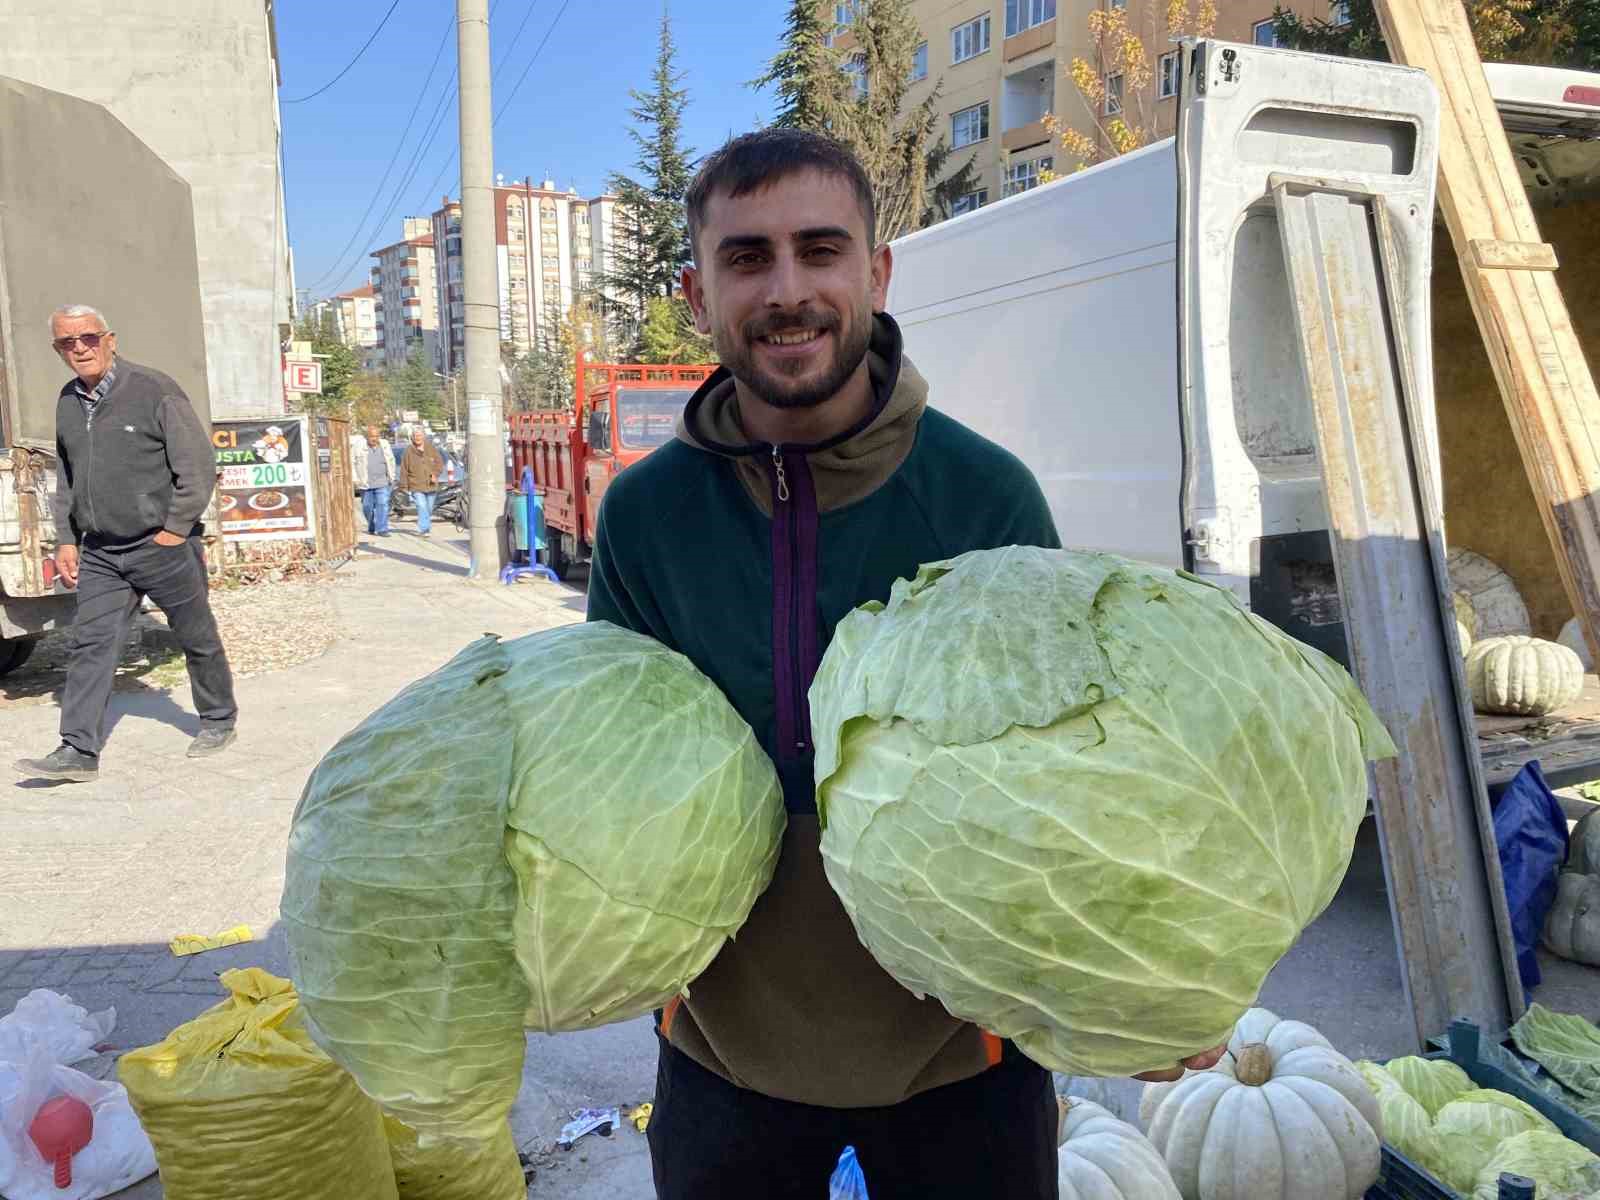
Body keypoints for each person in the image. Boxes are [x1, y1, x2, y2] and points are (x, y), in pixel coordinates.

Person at [586, 131, 1225, 1200]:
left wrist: (1138, 978)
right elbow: (604, 771)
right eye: (747, 259)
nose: (787, 290)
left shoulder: (987, 498)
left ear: (875, 275)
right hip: (721, 1052)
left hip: (961, 1053)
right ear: (699, 294)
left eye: (819, 249)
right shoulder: (643, 515)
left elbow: (1072, 781)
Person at [14, 304, 238, 783]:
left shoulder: (154, 390)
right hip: (101, 552)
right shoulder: (68, 401)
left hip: (161, 546)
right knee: (91, 644)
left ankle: (218, 718)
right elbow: (68, 478)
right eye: (66, 343)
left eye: (88, 338)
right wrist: (68, 540)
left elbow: (197, 466)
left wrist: (175, 529)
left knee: (195, 635)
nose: (79, 349)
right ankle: (77, 750)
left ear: (110, 339)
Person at [398, 427, 444, 536]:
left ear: (423, 436)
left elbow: (439, 463)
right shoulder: (408, 451)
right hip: (416, 485)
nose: (417, 438)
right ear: (412, 438)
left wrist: (435, 474)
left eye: (419, 436)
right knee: (422, 506)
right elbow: (404, 469)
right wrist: (403, 485)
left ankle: (424, 524)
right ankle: (424, 529)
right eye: (415, 436)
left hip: (431, 484)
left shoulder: (431, 448)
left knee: (429, 508)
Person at [353, 423, 395, 537]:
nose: (374, 439)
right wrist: (355, 479)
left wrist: (392, 476)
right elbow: (352, 462)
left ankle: (382, 529)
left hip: (383, 482)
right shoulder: (358, 446)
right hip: (366, 483)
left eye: (376, 436)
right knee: (367, 507)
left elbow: (391, 460)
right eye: (372, 436)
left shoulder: (385, 444)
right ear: (367, 436)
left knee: (383, 504)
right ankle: (371, 524)